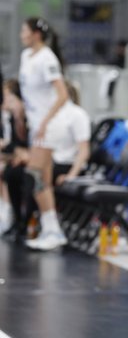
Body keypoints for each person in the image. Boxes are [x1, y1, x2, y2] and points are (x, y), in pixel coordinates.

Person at [18, 17, 69, 251]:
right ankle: (51, 229)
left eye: (25, 30)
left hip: (47, 126)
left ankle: (53, 229)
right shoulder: (26, 57)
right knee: (44, 180)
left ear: (36, 34)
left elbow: (62, 95)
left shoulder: (47, 58)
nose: (21, 34)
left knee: (35, 174)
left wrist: (45, 121)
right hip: (35, 123)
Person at [1, 79, 30, 240]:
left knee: (22, 174)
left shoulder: (29, 115)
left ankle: (23, 221)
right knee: (10, 172)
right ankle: (16, 218)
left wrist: (23, 154)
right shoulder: (12, 119)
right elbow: (13, 146)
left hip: (36, 159)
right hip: (19, 159)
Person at [50, 81, 91, 187]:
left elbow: (84, 151)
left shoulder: (77, 115)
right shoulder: (51, 114)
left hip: (68, 166)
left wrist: (70, 177)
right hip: (53, 163)